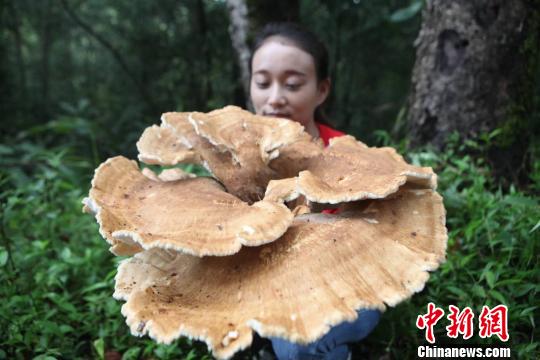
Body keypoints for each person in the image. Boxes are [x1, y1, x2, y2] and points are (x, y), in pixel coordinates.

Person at [249, 22, 381, 360]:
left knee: (299, 345)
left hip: (343, 283)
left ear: (321, 90)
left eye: (292, 84)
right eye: (262, 83)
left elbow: (382, 235)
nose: (274, 98)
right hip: (264, 282)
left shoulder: (347, 154)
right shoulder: (237, 156)